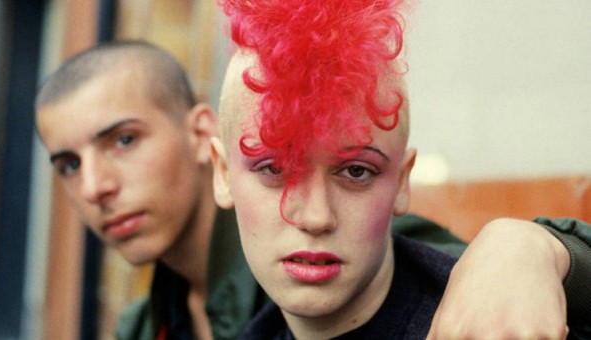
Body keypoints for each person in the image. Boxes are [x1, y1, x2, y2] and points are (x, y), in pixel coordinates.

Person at [34, 41, 591, 339]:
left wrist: (531, 247)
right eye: (66, 165)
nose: (95, 186)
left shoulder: (377, 259)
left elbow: (488, 290)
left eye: (124, 140)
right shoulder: (144, 324)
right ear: (225, 170)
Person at [210, 0, 590, 338]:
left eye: (356, 172)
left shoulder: (485, 323)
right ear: (223, 175)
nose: (315, 217)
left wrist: (543, 248)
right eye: (275, 167)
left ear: (403, 182)